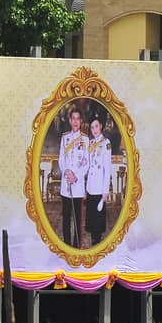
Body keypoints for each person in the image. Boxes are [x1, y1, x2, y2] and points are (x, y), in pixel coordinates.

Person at [58, 105, 90, 247]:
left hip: (77, 185)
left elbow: (86, 162)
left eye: (78, 119)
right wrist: (67, 172)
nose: (76, 121)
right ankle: (66, 245)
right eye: (73, 119)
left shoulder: (85, 139)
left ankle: (76, 246)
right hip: (66, 184)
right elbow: (61, 159)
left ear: (81, 121)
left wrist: (75, 176)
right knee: (66, 217)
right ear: (70, 121)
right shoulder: (65, 138)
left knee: (77, 218)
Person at [84, 115, 112, 245]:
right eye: (92, 127)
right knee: (91, 215)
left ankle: (97, 241)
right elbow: (87, 164)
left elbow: (107, 168)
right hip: (90, 186)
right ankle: (93, 239)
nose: (94, 129)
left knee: (98, 218)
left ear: (101, 126)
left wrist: (105, 190)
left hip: (100, 187)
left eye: (96, 126)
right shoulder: (91, 143)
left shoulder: (106, 143)